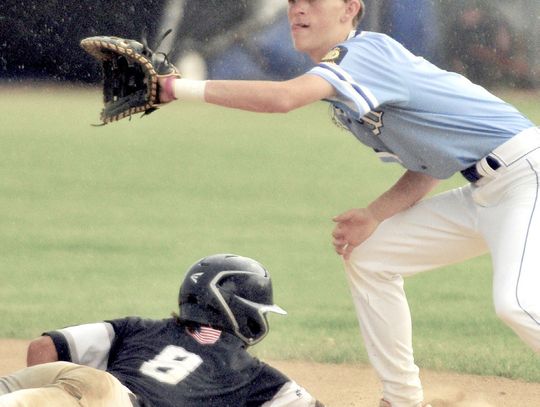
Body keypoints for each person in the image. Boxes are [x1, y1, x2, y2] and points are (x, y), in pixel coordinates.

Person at [156, 1, 540, 406]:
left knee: (517, 304)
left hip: (527, 174)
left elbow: (284, 98)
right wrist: (375, 215)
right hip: (490, 189)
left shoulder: (364, 53)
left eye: (313, 2)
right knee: (372, 253)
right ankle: (402, 399)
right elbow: (432, 164)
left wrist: (173, 87)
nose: (298, 10)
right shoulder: (345, 88)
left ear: (349, 9)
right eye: (293, 2)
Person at [0, 254, 324, 407]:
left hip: (75, 377)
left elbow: (42, 348)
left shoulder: (139, 327)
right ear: (243, 312)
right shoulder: (251, 373)